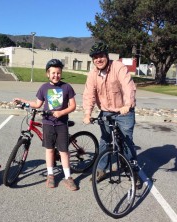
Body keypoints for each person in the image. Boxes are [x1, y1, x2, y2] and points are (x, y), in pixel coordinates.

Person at [13, 59, 78, 191]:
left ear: (61, 73)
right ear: (47, 74)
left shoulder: (67, 87)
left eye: (58, 73)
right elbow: (37, 104)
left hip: (61, 124)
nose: (56, 75)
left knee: (64, 152)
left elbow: (73, 106)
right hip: (48, 123)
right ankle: (50, 175)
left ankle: (68, 177)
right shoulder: (44, 88)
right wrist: (23, 101)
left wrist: (61, 112)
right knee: (49, 150)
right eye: (53, 73)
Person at [82, 42, 138, 178]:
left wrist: (127, 104)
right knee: (105, 140)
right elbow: (89, 94)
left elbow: (128, 86)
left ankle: (132, 171)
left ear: (107, 56)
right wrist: (87, 113)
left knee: (127, 142)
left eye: (101, 56)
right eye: (95, 57)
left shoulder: (118, 67)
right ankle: (101, 169)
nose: (98, 59)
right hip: (106, 111)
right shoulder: (93, 74)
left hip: (124, 111)